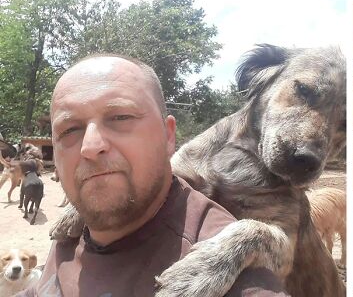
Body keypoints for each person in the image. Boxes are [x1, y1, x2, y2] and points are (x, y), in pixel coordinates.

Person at [19, 54, 288, 296]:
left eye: (121, 117)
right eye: (68, 130)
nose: (89, 147)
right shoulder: (79, 225)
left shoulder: (232, 271)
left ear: (168, 135)